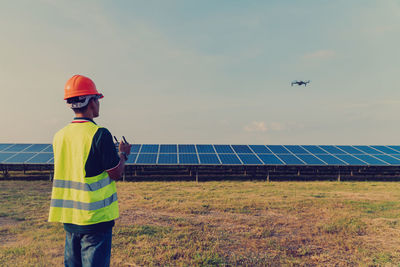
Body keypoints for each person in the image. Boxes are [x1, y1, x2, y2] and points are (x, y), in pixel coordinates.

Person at [48, 74, 131, 267]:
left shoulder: (59, 136)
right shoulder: (100, 134)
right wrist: (123, 154)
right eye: (97, 99)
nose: (98, 103)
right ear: (91, 102)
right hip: (95, 220)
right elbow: (115, 173)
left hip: (70, 219)